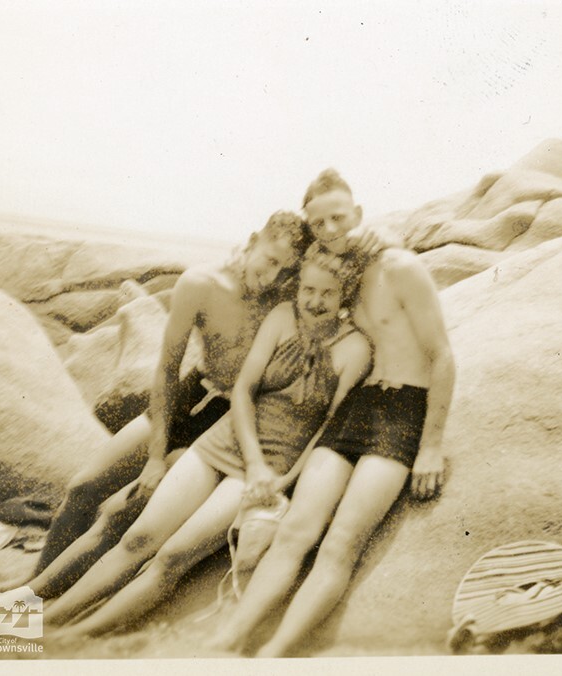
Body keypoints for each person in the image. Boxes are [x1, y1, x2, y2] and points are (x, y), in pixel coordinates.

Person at [43, 243, 373, 635]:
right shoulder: (284, 317)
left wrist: (280, 481)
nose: (315, 301)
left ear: (345, 295)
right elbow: (244, 390)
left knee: (173, 556)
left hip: (268, 470)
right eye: (308, 290)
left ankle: (70, 637)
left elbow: (327, 431)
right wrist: (252, 460)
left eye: (327, 293)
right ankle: (38, 619)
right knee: (137, 538)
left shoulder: (355, 350)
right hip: (226, 442)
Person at [207, 168, 456, 657]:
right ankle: (226, 641)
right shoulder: (347, 271)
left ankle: (272, 655)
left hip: (404, 409)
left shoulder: (401, 267)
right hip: (360, 405)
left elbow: (443, 355)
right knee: (297, 530)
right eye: (317, 223)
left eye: (338, 218)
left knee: (341, 541)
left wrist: (430, 445)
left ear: (358, 214)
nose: (328, 230)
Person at [29, 210, 311, 582]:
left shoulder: (288, 297)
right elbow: (167, 368)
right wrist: (155, 457)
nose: (274, 277)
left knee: (123, 512)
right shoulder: (201, 284)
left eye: (287, 270)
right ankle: (29, 586)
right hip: (192, 394)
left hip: (229, 417)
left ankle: (44, 596)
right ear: (253, 240)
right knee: (83, 487)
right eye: (271, 261)